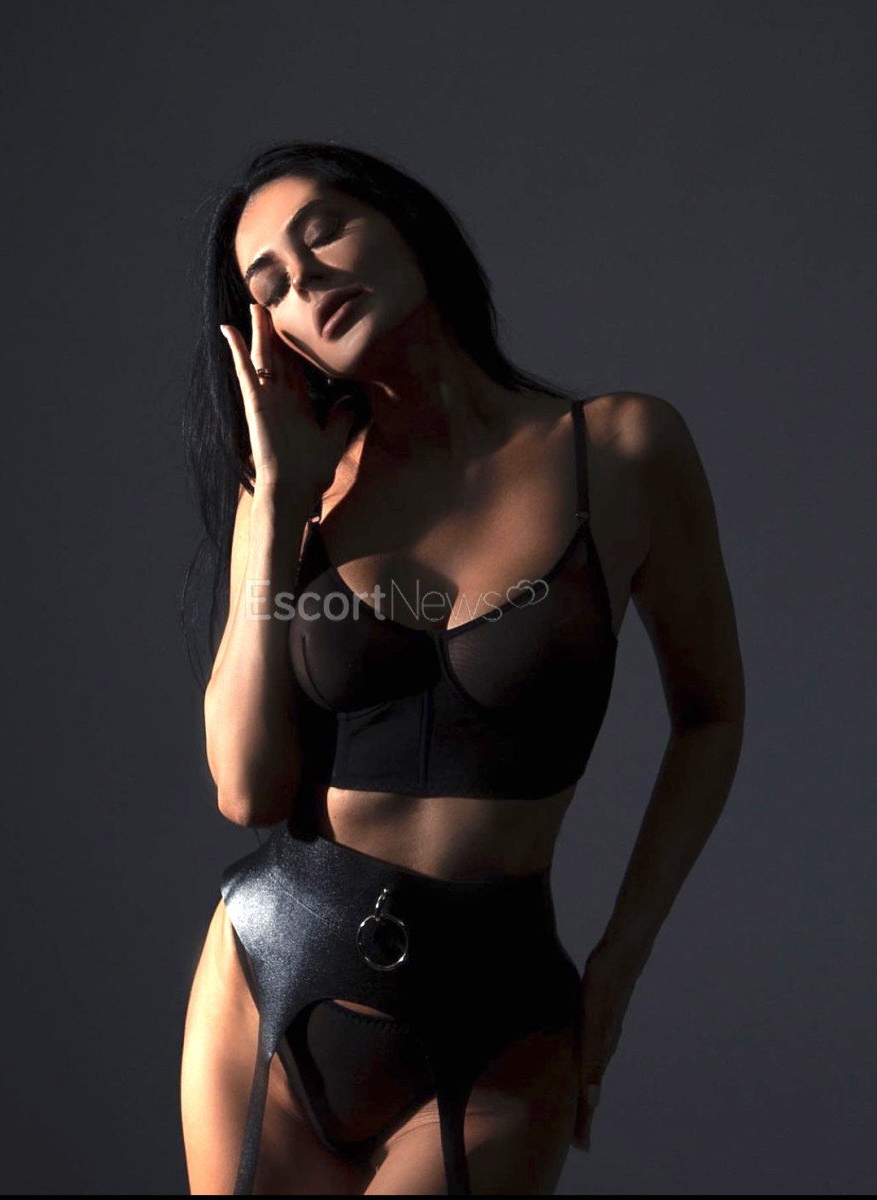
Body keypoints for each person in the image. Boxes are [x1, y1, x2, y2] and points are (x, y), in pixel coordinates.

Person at [178, 140, 746, 1196]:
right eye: (271, 285)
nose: (305, 281)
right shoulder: (293, 496)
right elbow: (245, 789)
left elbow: (709, 716)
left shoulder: (619, 451)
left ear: (409, 229)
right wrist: (279, 500)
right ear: (270, 334)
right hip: (271, 988)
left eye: (323, 234)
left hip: (501, 1015)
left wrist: (620, 955)